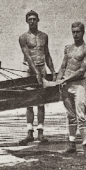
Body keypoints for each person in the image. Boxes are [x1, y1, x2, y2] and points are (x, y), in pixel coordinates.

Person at [18, 11, 57, 145]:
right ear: (27, 21)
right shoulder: (23, 37)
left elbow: (47, 54)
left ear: (38, 20)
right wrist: (36, 74)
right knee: (29, 101)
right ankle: (29, 132)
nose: (32, 21)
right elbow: (28, 57)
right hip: (29, 70)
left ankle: (40, 132)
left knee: (41, 101)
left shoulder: (44, 36)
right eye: (30, 19)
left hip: (42, 68)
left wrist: (53, 70)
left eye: (34, 19)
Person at [56, 22, 86, 158]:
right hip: (66, 86)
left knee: (81, 117)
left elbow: (81, 71)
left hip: (78, 85)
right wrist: (58, 79)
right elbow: (63, 66)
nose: (75, 34)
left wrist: (65, 80)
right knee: (70, 116)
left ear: (83, 32)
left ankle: (85, 146)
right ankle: (72, 145)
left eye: (78, 32)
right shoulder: (68, 48)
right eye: (73, 32)